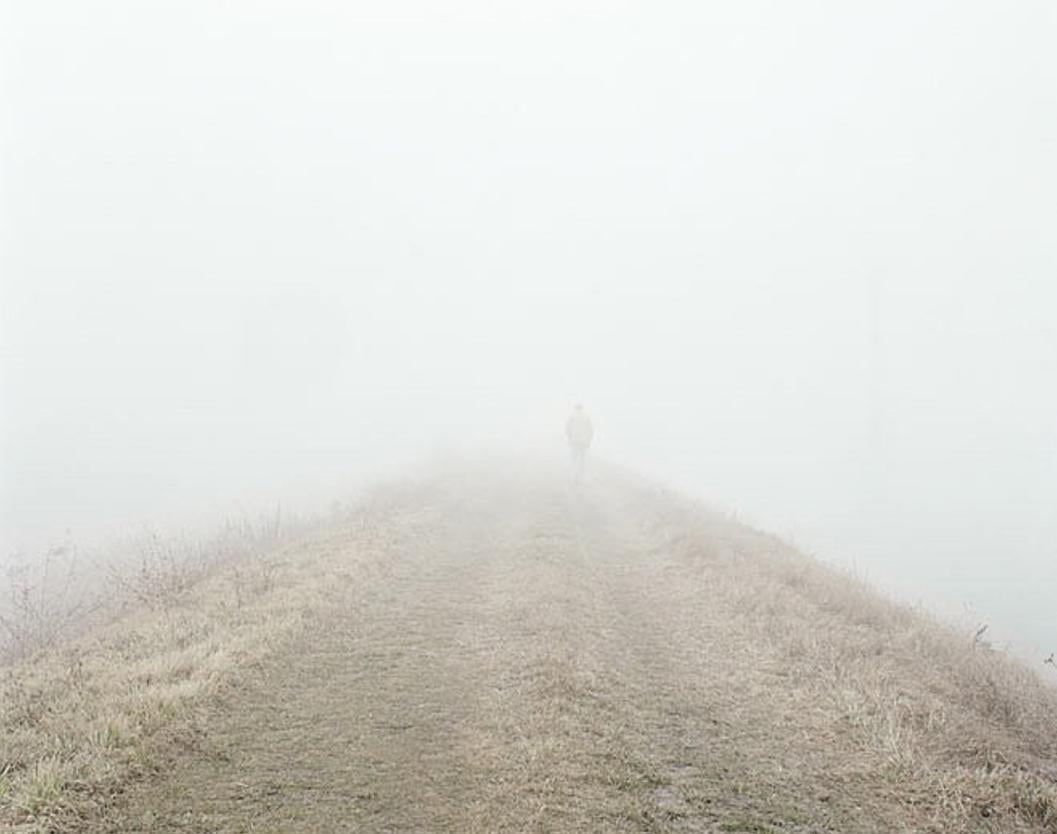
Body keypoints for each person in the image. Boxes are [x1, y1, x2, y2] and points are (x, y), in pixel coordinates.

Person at [565, 403, 594, 479]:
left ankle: (574, 472)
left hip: (574, 440)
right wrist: (589, 440)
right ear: (582, 408)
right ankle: (581, 471)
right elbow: (590, 430)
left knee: (574, 456)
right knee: (582, 456)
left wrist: (569, 438)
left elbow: (567, 429)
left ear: (575, 408)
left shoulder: (572, 417)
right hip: (583, 440)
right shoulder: (586, 417)